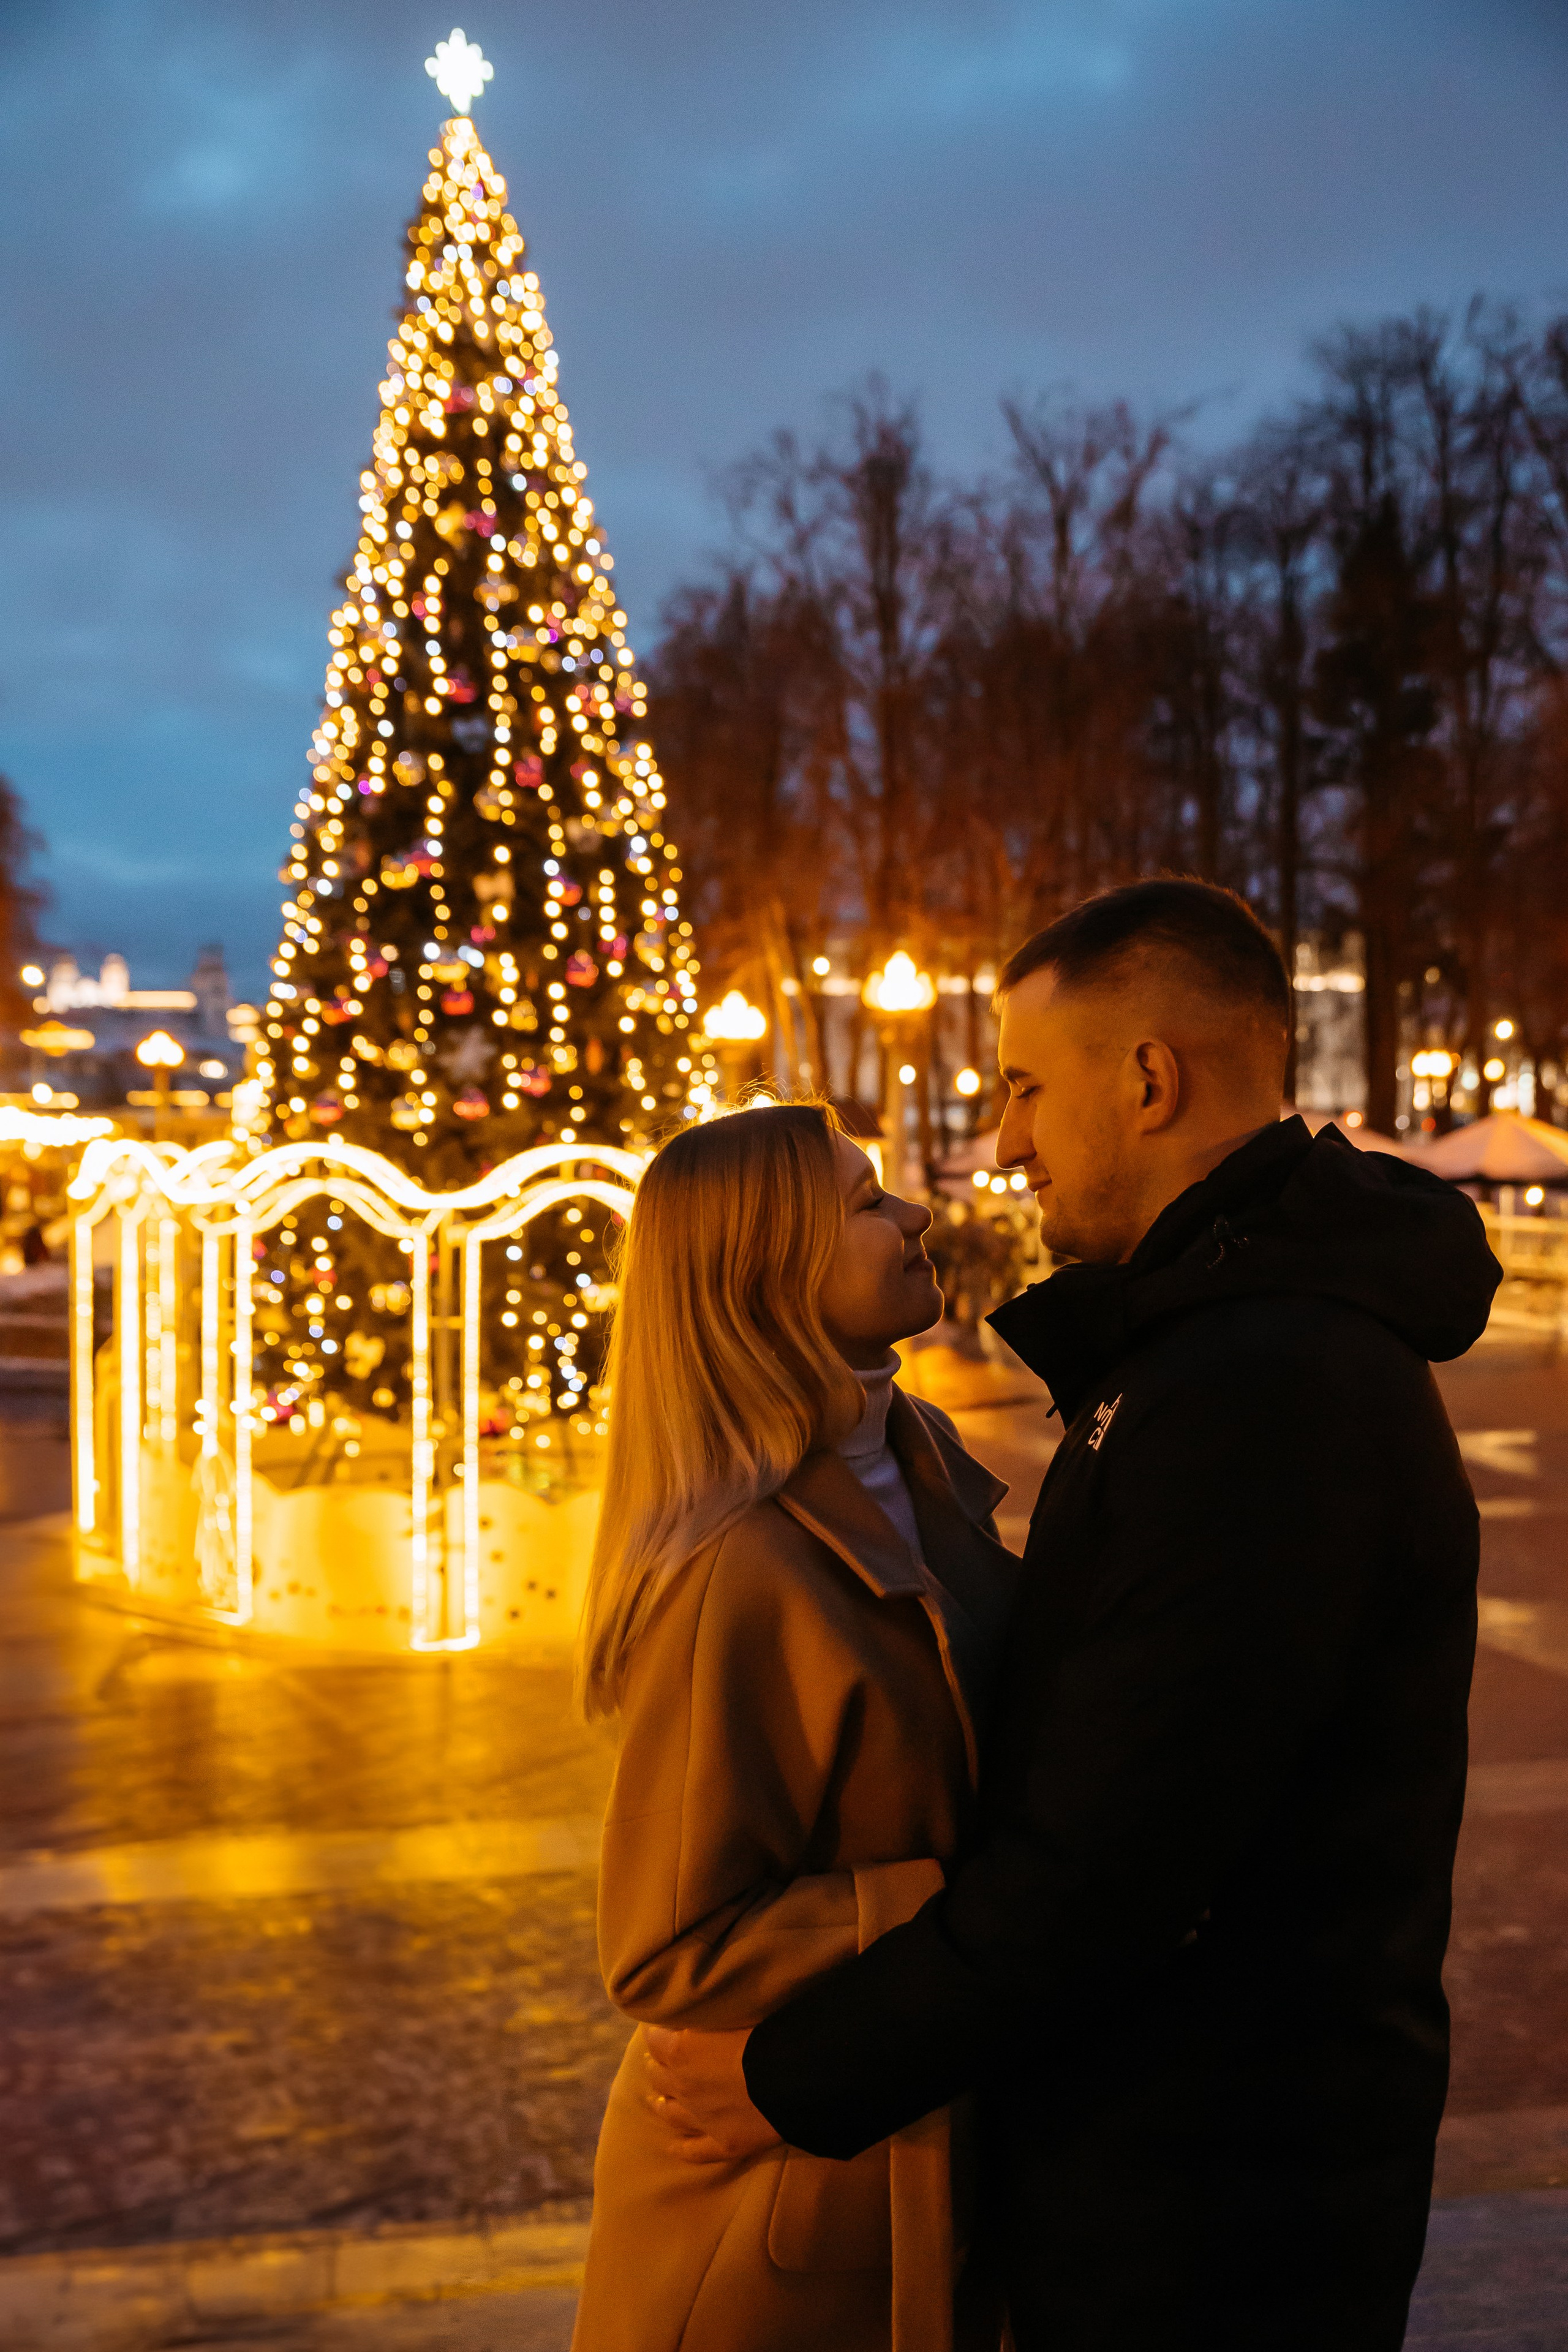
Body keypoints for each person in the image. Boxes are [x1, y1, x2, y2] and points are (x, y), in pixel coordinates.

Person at [644, 879, 1502, 2352]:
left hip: (1208, 2207)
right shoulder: (1211, 1345)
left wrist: (797, 2078)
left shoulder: (1257, 1386)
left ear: (1148, 1079)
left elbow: (1111, 1863)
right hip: (1200, 2162)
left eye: (1026, 1087)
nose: (1002, 1144)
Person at [570, 1101, 1019, 2352]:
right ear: (768, 1270)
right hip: (780, 2226)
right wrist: (968, 1902)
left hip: (890, 2149)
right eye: (868, 1201)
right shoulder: (737, 1565)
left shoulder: (914, 1454)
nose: (917, 1214)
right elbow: (666, 1953)